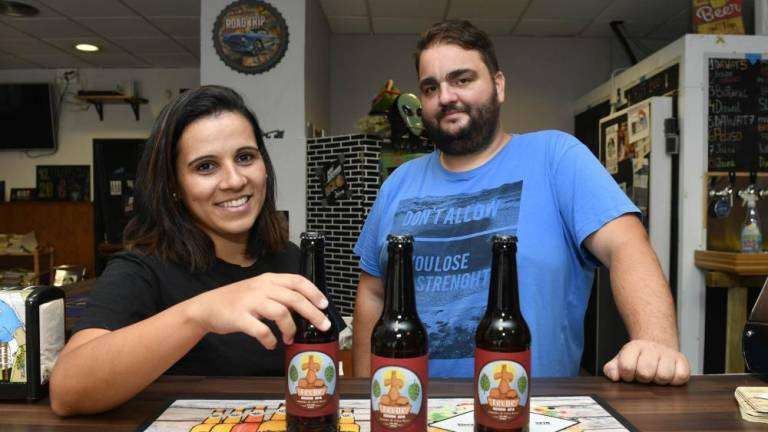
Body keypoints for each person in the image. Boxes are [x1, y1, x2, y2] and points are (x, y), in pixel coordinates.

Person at [352, 20, 690, 385]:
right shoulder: (399, 182)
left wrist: (655, 343)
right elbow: (373, 292)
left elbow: (627, 245)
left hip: (529, 412)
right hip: (410, 411)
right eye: (431, 87)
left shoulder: (556, 157)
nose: (446, 96)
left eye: (462, 79)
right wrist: (360, 396)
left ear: (498, 86)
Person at [49, 86, 331, 415]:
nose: (234, 180)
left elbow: (329, 364)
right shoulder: (141, 268)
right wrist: (200, 313)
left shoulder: (291, 258)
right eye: (206, 167)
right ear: (174, 186)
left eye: (245, 157)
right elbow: (67, 392)